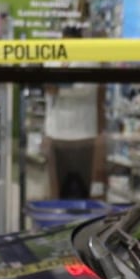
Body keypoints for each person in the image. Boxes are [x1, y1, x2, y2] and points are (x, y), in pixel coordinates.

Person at [43, 24, 106, 199]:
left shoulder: (90, 58)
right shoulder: (53, 56)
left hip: (82, 132)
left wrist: (59, 90)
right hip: (56, 130)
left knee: (81, 183)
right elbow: (47, 83)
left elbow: (86, 88)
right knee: (58, 184)